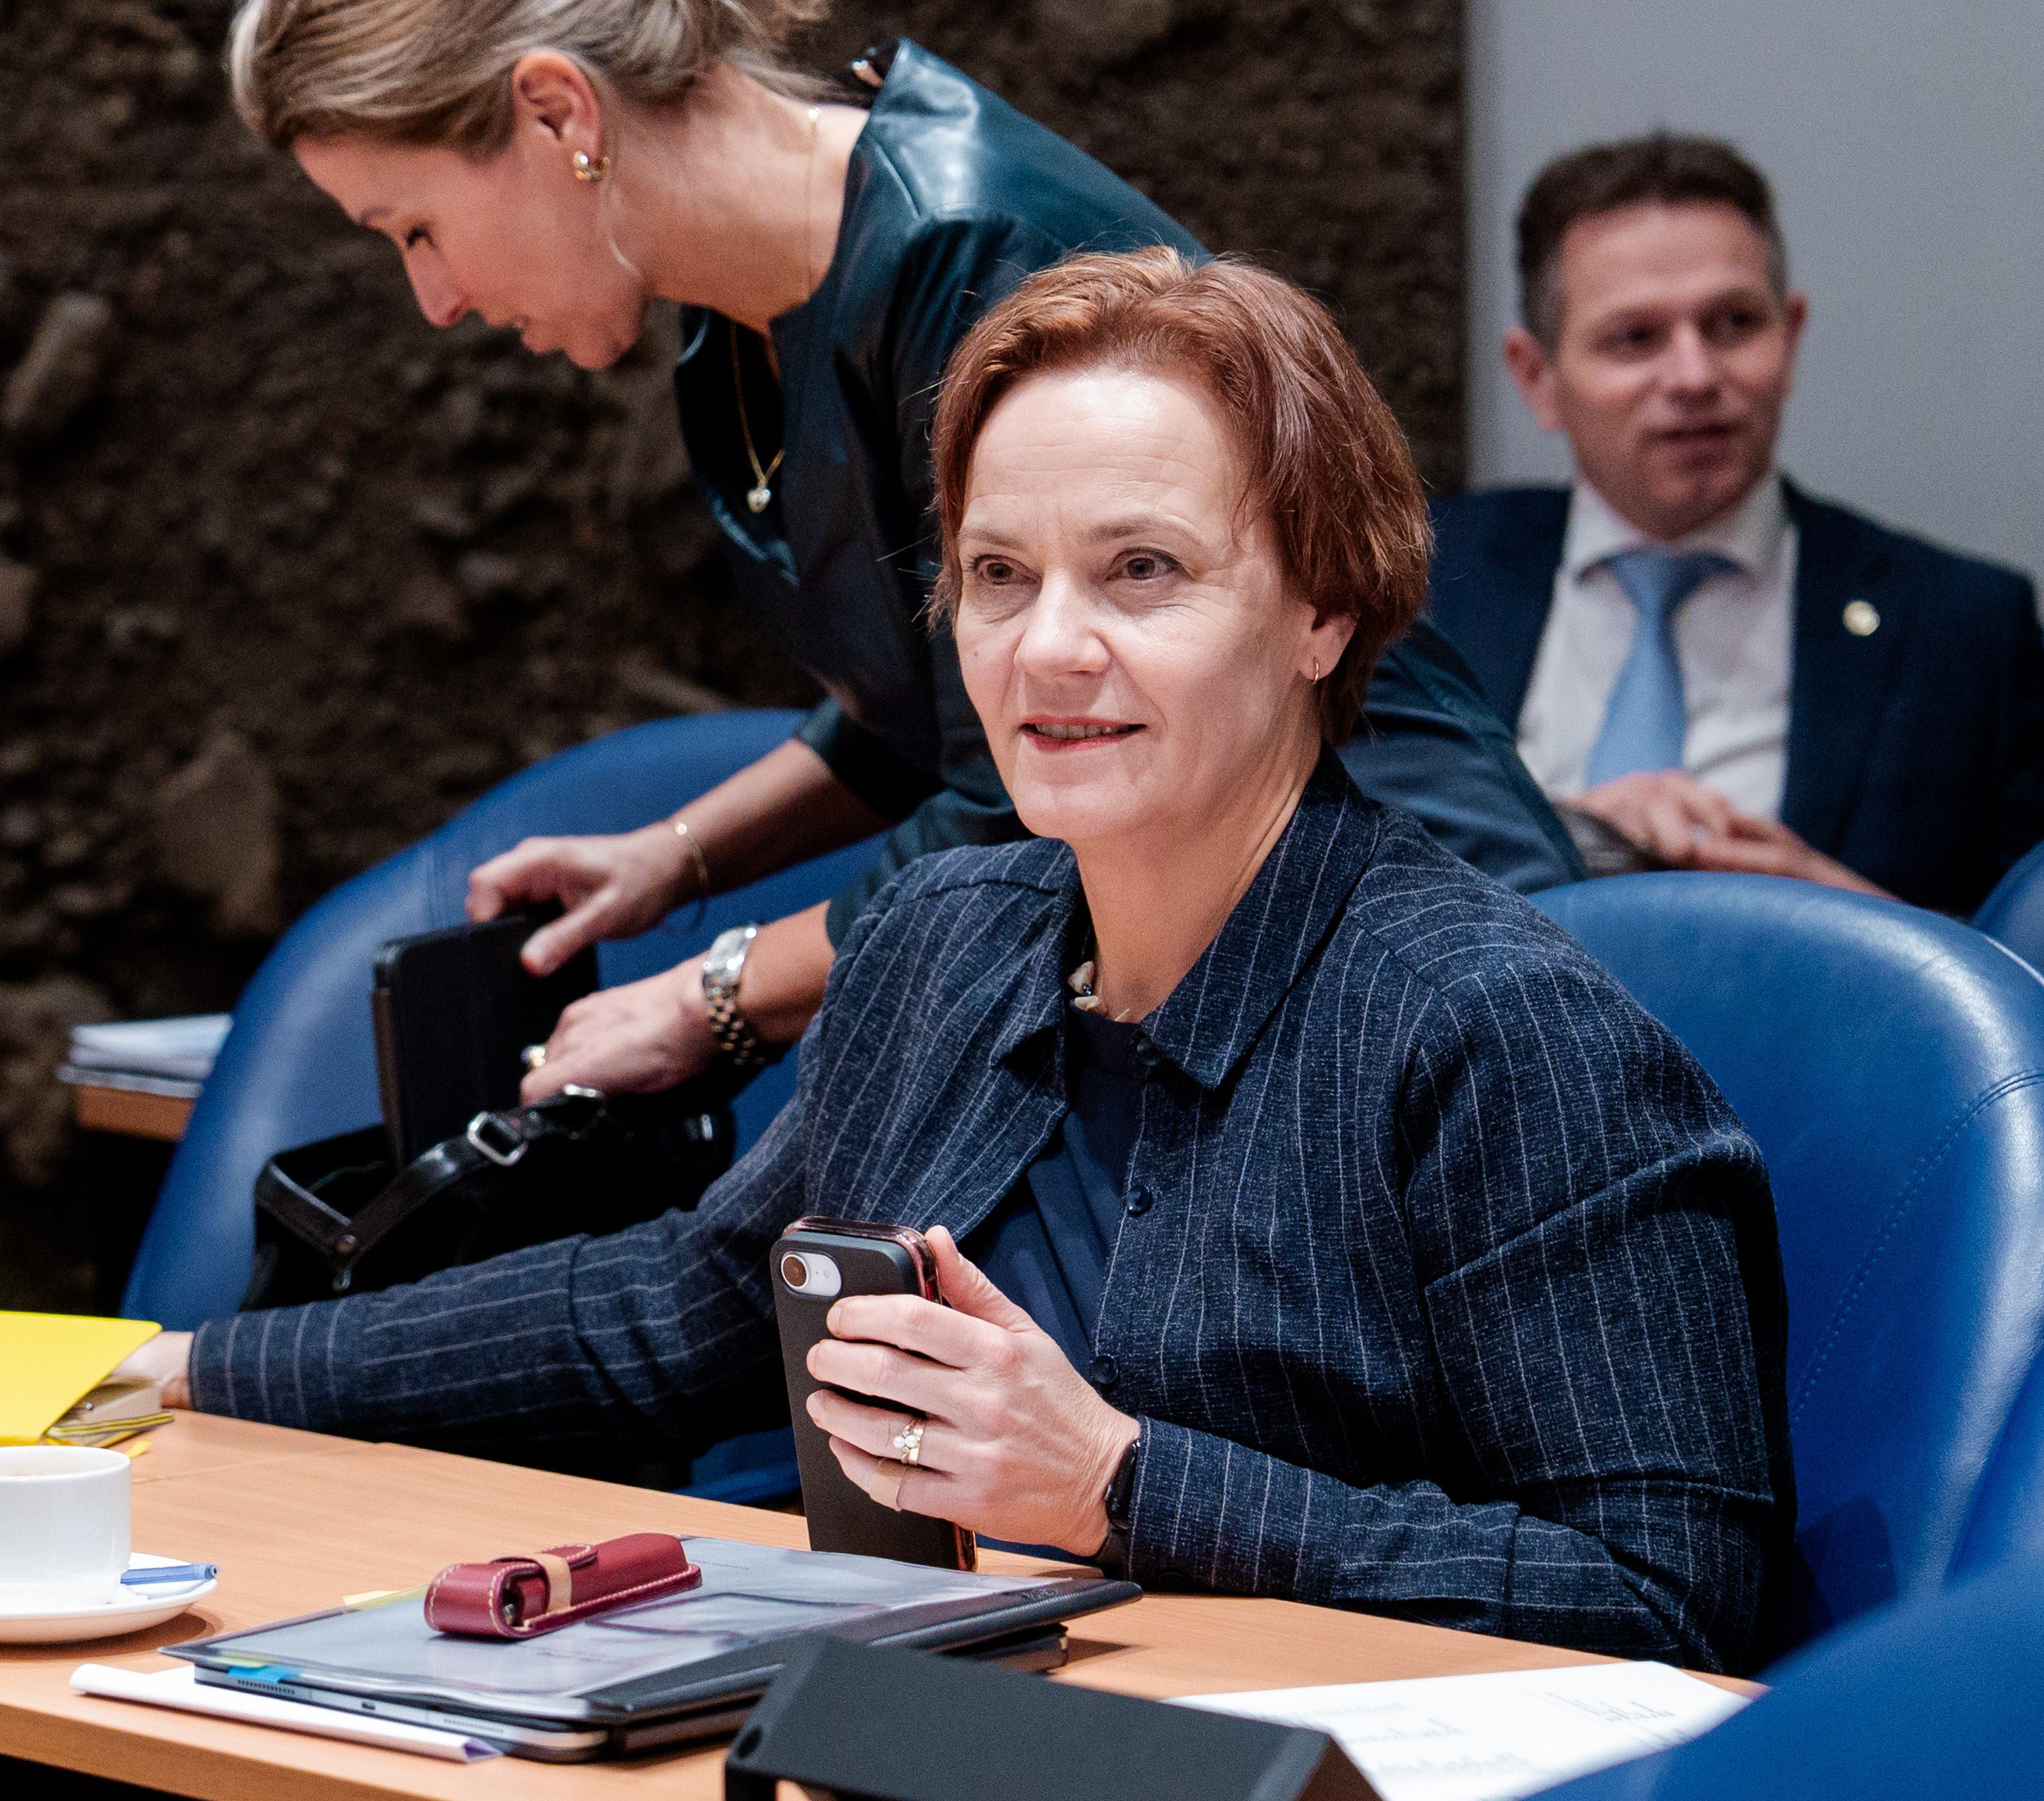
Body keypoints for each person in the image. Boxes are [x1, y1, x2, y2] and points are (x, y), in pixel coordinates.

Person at [144, 250, 1788, 1669]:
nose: (1048, 646)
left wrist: (1117, 1484)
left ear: (1322, 611)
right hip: (905, 1721)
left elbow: (1673, 1594)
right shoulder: (945, 933)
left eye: (1142, 570)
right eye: (1001, 575)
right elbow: (687, 1307)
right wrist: (197, 1366)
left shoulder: (1507, 1034)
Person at [226, 3, 1580, 1100]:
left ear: (556, 113)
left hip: (1386, 934)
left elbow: (1024, 772)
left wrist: (713, 990)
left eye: (413, 228)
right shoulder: (730, 326)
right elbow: (917, 712)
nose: (434, 298)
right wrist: (675, 857)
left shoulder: (969, 252)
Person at [1431, 133, 2044, 914]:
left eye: (1733, 323)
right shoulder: (1415, 584)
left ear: (1790, 337)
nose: (1694, 376)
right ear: (1536, 376)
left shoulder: (1961, 629)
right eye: (1633, 338)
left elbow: (2025, 962)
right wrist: (1554, 838)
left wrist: (1851, 922)